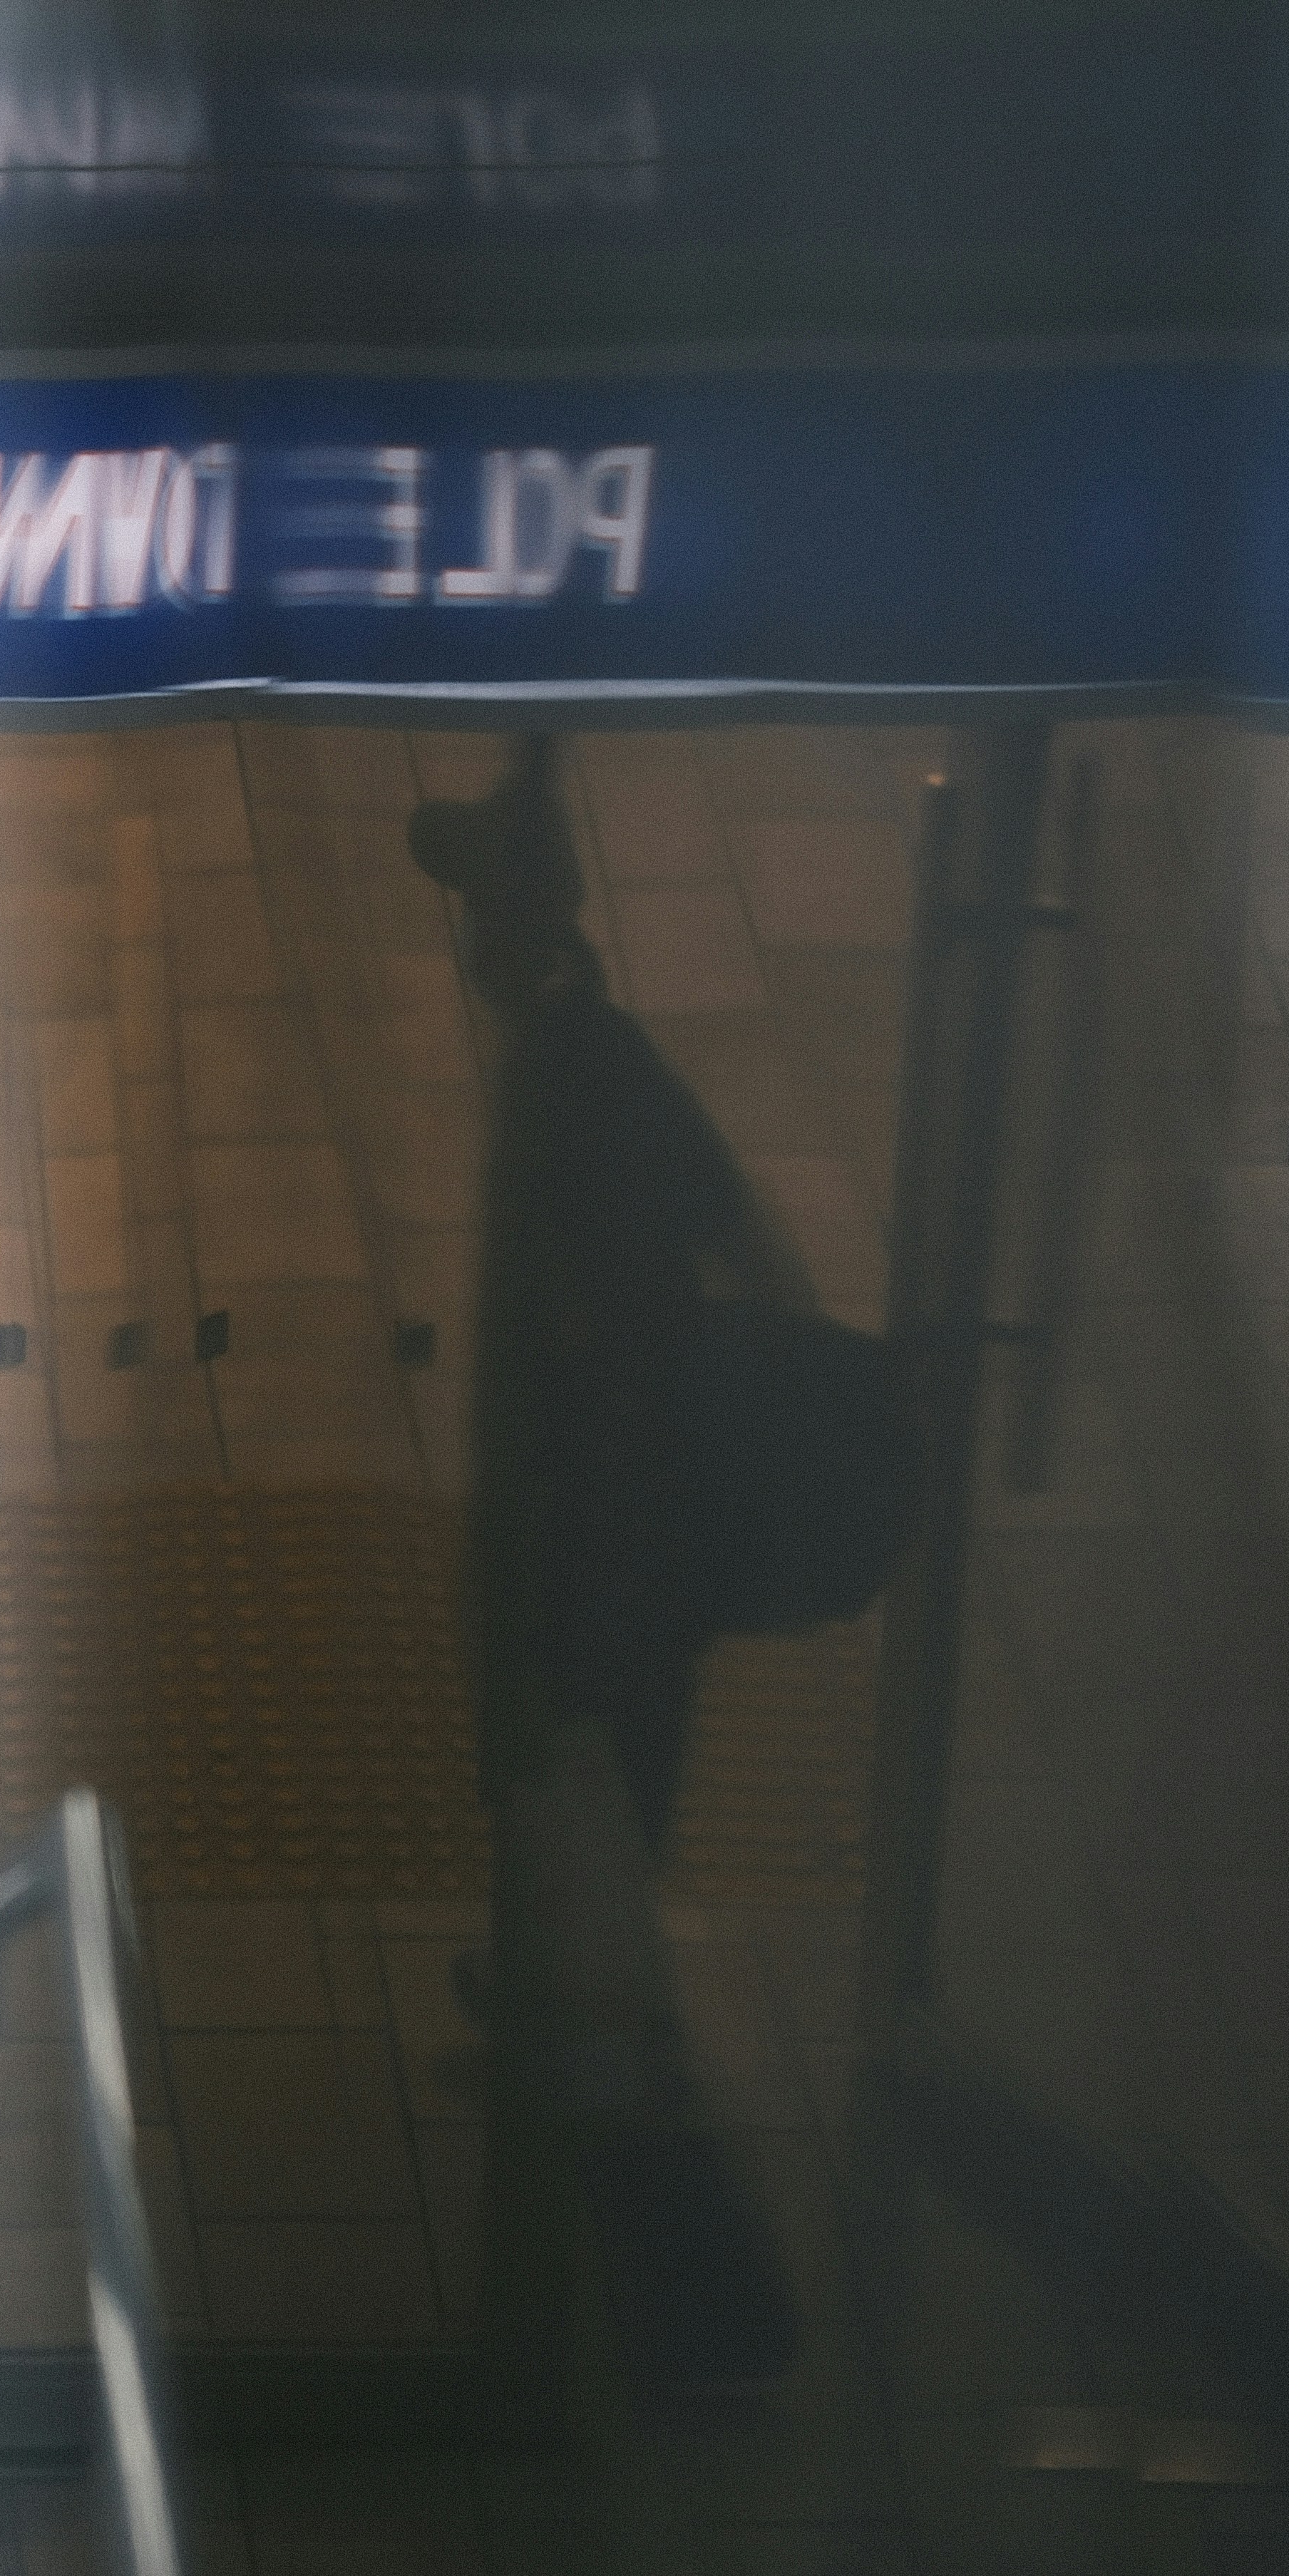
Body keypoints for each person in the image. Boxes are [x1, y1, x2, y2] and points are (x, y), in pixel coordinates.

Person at [409, 738, 804, 2393]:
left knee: (604, 1981)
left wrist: (542, 1635)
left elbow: (588, 1384)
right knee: (593, 1918)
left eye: (476, 903)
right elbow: (743, 1246)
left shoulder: (579, 1079)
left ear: (525, 927)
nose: (466, 945)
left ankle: (710, 2319)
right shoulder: (592, 1063)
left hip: (594, 1606)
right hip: (620, 1596)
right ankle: (670, 2279)